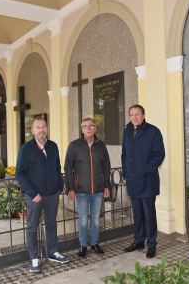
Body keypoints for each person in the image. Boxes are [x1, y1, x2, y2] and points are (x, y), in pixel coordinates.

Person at [16, 115, 69, 273]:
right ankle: (33, 258)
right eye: (38, 127)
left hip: (53, 194)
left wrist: (59, 187)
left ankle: (52, 252)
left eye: (44, 126)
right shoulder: (26, 149)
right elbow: (20, 173)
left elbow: (57, 168)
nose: (42, 130)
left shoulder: (53, 146)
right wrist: (33, 193)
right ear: (33, 131)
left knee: (51, 224)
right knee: (32, 227)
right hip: (35, 196)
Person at [121, 104, 165, 259]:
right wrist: (125, 174)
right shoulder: (127, 131)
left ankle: (151, 244)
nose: (134, 117)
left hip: (147, 181)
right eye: (131, 114)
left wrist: (146, 169)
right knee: (138, 214)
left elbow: (159, 155)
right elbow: (124, 154)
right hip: (132, 181)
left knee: (149, 215)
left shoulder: (153, 131)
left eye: (137, 114)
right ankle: (138, 240)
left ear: (143, 115)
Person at [64, 118, 111, 258]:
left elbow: (106, 167)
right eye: (85, 126)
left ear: (95, 128)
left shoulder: (101, 145)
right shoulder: (74, 146)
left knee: (96, 218)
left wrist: (106, 185)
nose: (89, 128)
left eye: (91, 126)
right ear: (82, 129)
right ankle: (83, 245)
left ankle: (95, 243)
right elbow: (68, 168)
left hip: (97, 190)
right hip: (81, 190)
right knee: (83, 219)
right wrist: (70, 188)